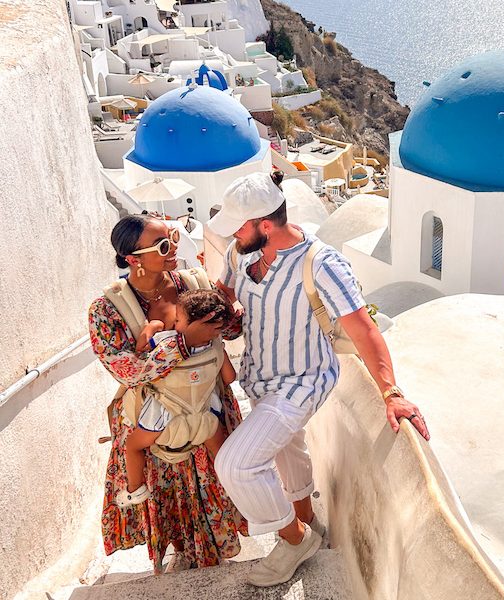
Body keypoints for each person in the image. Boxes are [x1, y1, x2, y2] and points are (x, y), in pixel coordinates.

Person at [208, 172, 430, 587]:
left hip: (303, 381)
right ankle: (310, 522)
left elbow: (364, 329)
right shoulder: (242, 252)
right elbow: (226, 292)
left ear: (266, 225)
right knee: (286, 452)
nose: (232, 234)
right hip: (260, 376)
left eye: (239, 225)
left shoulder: (321, 264)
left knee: (236, 464)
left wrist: (391, 392)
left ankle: (294, 540)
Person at [88, 215, 247, 574]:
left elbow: (232, 330)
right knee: (169, 499)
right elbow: (123, 369)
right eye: (163, 245)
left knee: (218, 485)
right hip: (156, 416)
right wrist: (183, 343)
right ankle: (182, 554)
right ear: (133, 259)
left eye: (173, 237)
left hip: (207, 403)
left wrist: (229, 306)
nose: (174, 247)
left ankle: (213, 559)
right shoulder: (107, 309)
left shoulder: (194, 282)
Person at [117, 288, 237, 508]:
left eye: (179, 319)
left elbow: (141, 350)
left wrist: (153, 326)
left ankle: (135, 490)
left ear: (194, 325)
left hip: (165, 418)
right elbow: (229, 378)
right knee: (222, 455)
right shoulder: (217, 346)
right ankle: (232, 488)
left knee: (133, 446)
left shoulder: (168, 342)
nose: (176, 324)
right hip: (204, 417)